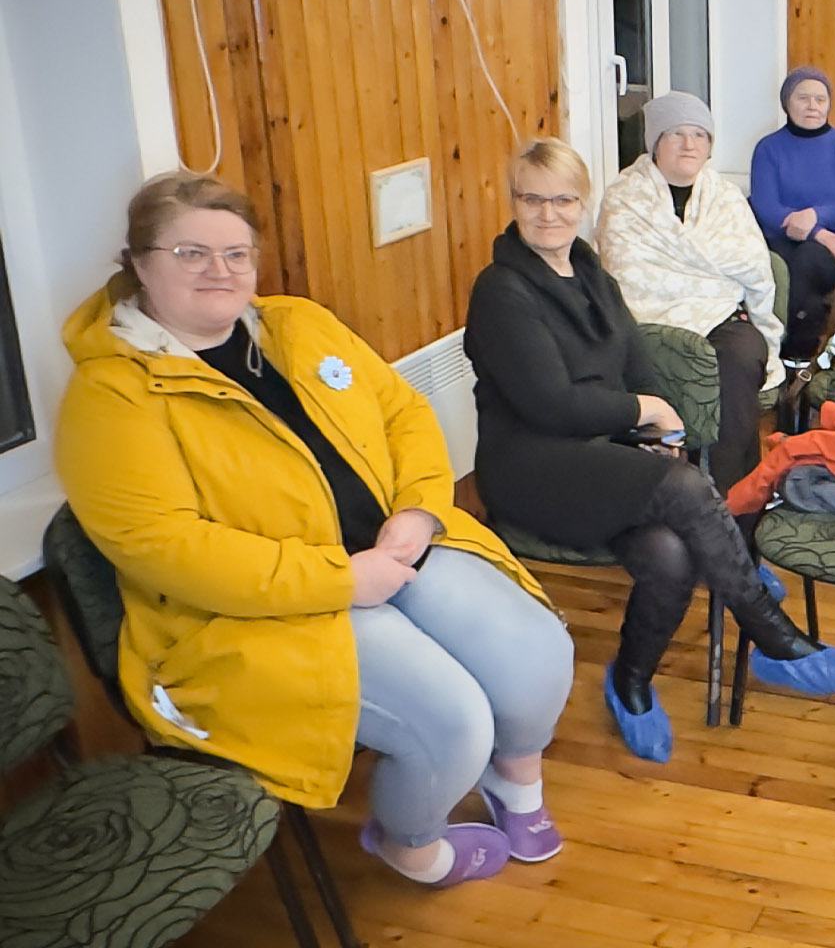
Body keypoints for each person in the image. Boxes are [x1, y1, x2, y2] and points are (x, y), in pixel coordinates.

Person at [55, 172, 572, 887]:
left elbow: (403, 412)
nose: (220, 271)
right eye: (191, 253)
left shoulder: (296, 325)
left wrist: (420, 509)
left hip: (392, 549)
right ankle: (411, 844)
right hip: (257, 610)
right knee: (453, 721)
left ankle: (513, 783)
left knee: (537, 653)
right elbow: (164, 546)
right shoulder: (112, 394)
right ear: (140, 263)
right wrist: (339, 579)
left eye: (237, 253)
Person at [465, 138, 835, 765]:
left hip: (600, 454)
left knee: (671, 553)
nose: (548, 214)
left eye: (563, 199)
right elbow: (550, 405)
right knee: (684, 491)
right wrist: (644, 411)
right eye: (532, 199)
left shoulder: (591, 273)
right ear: (512, 202)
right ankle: (770, 634)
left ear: (582, 202)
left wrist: (655, 434)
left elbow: (636, 364)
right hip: (531, 466)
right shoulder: (501, 290)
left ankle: (629, 682)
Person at [597, 91, 782, 492]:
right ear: (655, 142)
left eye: (699, 135)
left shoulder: (726, 197)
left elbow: (754, 267)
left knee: (741, 358)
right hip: (647, 322)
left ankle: (731, 499)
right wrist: (709, 275)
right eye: (676, 133)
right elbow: (626, 273)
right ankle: (666, 492)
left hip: (722, 316)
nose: (688, 144)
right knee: (660, 362)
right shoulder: (624, 198)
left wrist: (711, 287)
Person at [749, 65, 835, 362]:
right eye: (803, 98)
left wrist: (817, 216)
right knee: (780, 265)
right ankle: (789, 351)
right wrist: (817, 231)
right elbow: (766, 207)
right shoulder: (768, 148)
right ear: (787, 104)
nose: (812, 106)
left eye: (820, 99)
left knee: (805, 261)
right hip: (781, 237)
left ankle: (793, 352)